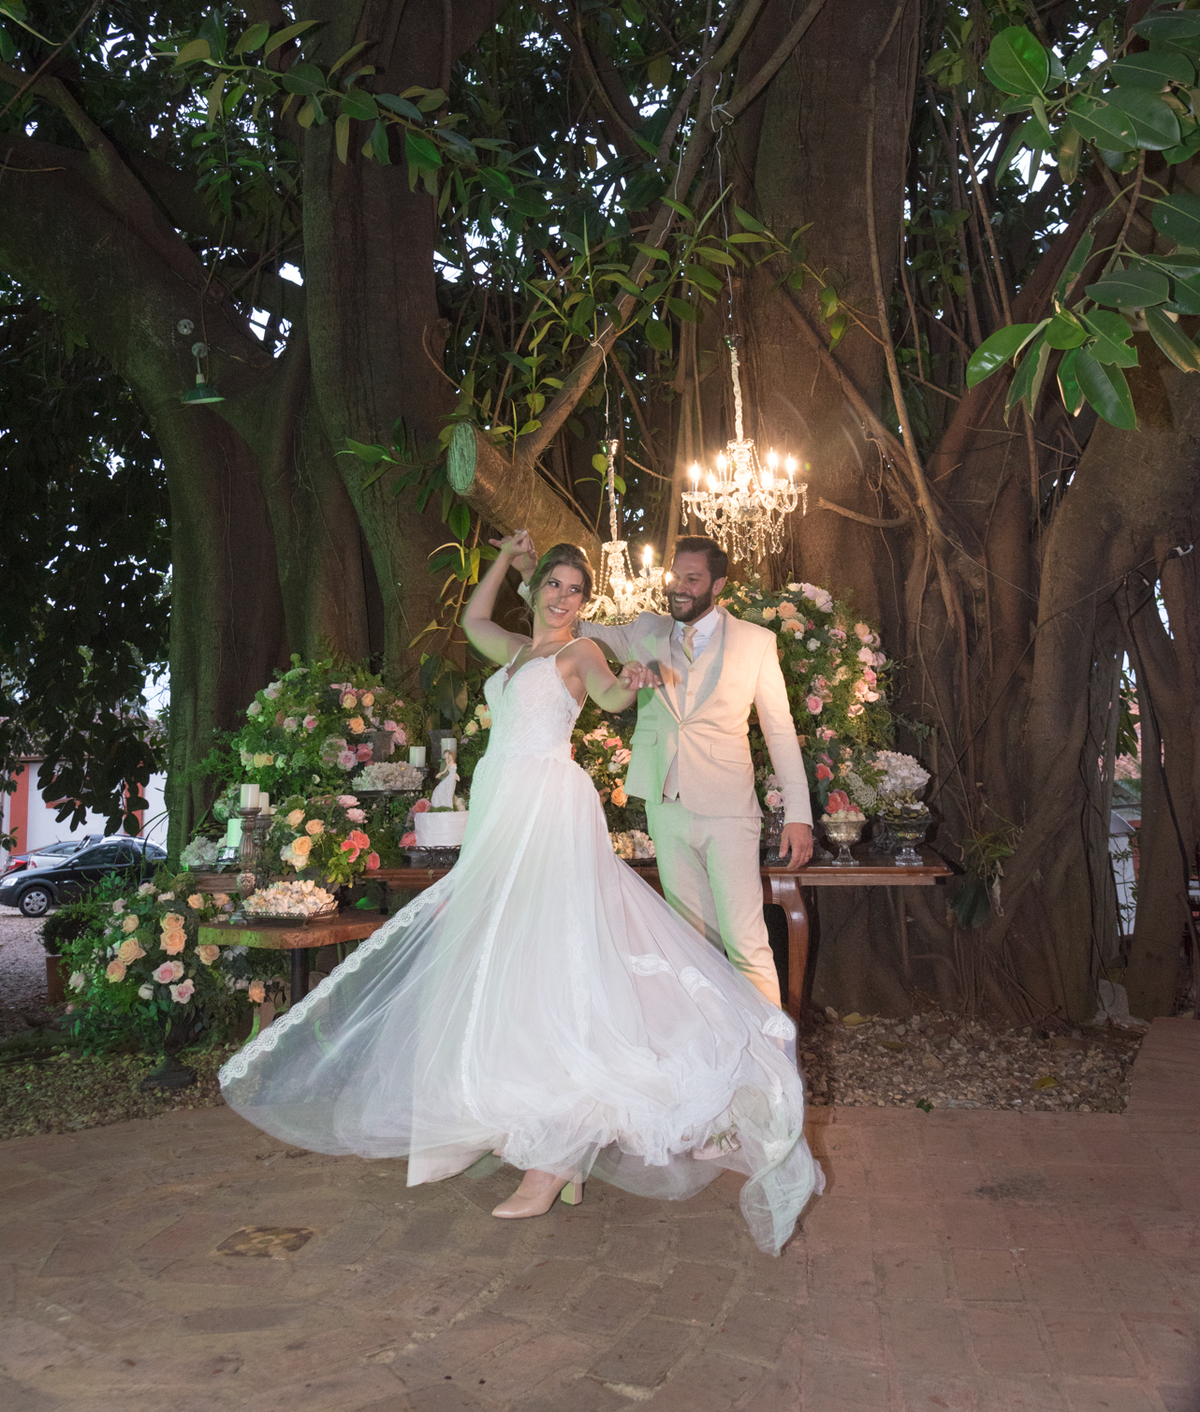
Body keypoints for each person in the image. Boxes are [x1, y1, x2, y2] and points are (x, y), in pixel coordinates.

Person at [219, 535, 822, 1254]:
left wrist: (632, 678)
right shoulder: (511, 651)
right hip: (500, 812)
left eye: (575, 590)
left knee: (552, 963)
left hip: (549, 809)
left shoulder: (582, 653)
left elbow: (609, 692)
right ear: (535, 589)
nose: (564, 598)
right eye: (554, 585)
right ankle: (499, 1119)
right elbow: (473, 621)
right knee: (493, 958)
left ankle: (553, 1155)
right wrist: (503, 558)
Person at [513, 532, 812, 1007]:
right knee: (690, 946)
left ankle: (774, 1070)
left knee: (746, 944)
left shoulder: (757, 642)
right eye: (676, 577)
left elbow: (779, 731)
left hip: (729, 810)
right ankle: (713, 1061)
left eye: (693, 580)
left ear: (718, 586)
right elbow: (571, 625)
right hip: (666, 806)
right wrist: (531, 575)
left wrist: (799, 813)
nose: (679, 588)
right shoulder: (645, 629)